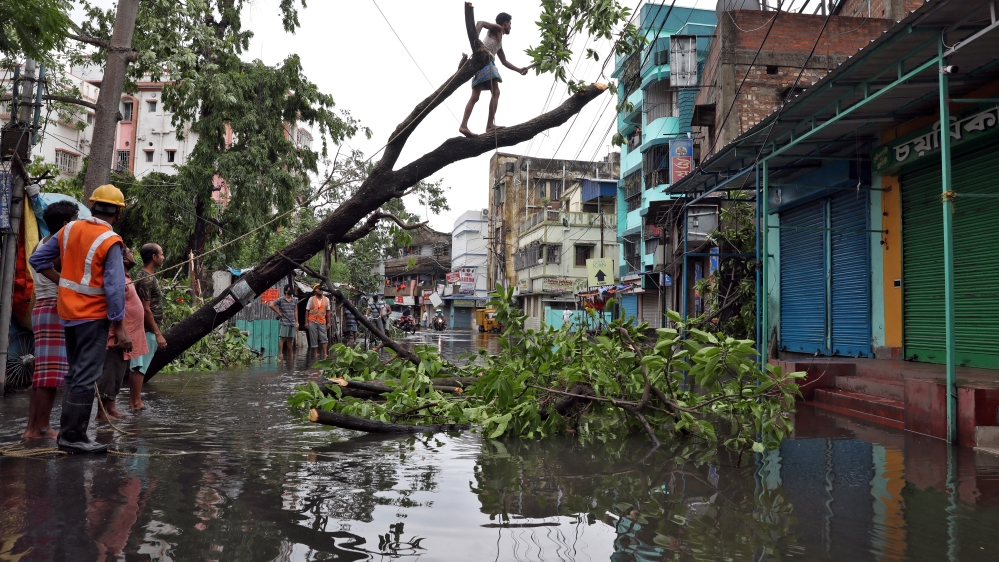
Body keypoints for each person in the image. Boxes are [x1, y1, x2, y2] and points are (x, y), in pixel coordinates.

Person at [29, 184, 130, 454]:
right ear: (118, 213)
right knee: (85, 375)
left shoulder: (69, 229)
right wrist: (119, 327)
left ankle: (69, 435)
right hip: (93, 318)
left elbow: (37, 259)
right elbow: (114, 287)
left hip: (68, 315)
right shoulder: (110, 241)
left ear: (92, 205)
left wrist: (62, 282)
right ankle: (73, 437)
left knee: (75, 374)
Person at [22, 201, 78, 439]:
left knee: (43, 372)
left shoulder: (42, 245)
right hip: (54, 308)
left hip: (43, 308)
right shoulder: (57, 247)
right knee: (51, 374)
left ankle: (32, 428)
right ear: (66, 224)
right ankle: (42, 427)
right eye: (75, 221)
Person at [96, 247, 148, 422]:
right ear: (124, 259)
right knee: (110, 371)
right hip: (117, 334)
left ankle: (111, 408)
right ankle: (102, 413)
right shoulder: (117, 277)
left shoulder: (125, 277)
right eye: (130, 252)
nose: (133, 254)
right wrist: (120, 331)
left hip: (127, 333)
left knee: (117, 372)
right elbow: (114, 303)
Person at [459, 12, 529, 137]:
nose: (510, 27)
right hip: (485, 61)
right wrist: (475, 41)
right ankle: (490, 125)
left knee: (475, 97)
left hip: (479, 65)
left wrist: (519, 69)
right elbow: (480, 23)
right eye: (510, 24)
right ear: (505, 23)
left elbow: (504, 61)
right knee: (496, 92)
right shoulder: (497, 28)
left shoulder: (499, 42)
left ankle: (463, 126)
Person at [129, 243, 167, 412]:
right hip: (146, 329)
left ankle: (135, 401)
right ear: (154, 257)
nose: (163, 257)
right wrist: (157, 333)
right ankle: (136, 402)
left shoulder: (147, 276)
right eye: (161, 254)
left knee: (139, 365)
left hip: (147, 329)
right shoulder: (145, 279)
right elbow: (145, 309)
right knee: (139, 366)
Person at [268, 284, 300, 357]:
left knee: (290, 339)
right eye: (289, 289)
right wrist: (278, 312)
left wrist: (297, 321)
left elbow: (295, 311)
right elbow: (271, 305)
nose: (290, 291)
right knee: (283, 338)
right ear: (285, 291)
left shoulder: (294, 300)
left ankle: (291, 354)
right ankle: (281, 354)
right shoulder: (281, 299)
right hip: (284, 322)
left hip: (292, 322)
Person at [306, 284, 331, 358]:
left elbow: (328, 311)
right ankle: (316, 353)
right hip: (312, 320)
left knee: (324, 338)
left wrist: (329, 322)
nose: (320, 290)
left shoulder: (326, 299)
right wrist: (306, 322)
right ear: (315, 291)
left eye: (321, 289)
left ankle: (325, 354)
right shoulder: (311, 299)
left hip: (322, 320)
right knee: (313, 337)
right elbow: (307, 311)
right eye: (318, 289)